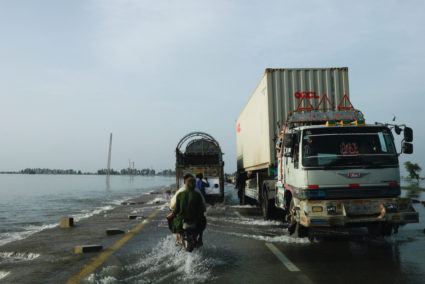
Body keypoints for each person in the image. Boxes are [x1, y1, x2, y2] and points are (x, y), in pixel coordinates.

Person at [168, 177, 207, 245]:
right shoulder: (197, 194)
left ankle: (178, 238)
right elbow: (202, 208)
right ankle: (200, 238)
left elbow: (176, 209)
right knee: (203, 221)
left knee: (171, 220)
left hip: (181, 220)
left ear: (185, 184)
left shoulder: (180, 193)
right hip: (195, 219)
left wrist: (173, 213)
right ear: (194, 184)